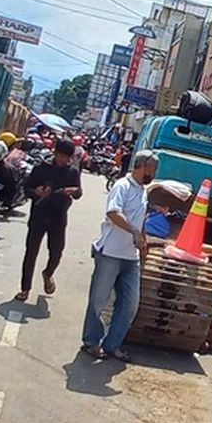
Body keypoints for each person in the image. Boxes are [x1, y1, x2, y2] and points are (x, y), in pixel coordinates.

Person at [81, 150, 159, 362]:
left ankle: (112, 345)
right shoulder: (122, 186)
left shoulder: (143, 190)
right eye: (152, 168)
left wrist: (142, 237)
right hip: (110, 253)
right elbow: (113, 213)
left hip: (130, 257)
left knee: (130, 304)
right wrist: (133, 231)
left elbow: (140, 218)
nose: (154, 173)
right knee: (99, 301)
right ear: (142, 166)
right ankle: (91, 342)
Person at [16, 138, 83, 302]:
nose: (66, 160)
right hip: (39, 215)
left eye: (69, 157)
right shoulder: (41, 168)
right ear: (56, 154)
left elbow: (79, 192)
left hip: (58, 217)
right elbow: (26, 188)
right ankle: (25, 289)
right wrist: (36, 192)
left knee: (56, 252)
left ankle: (48, 273)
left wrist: (74, 191)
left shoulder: (72, 171)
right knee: (31, 252)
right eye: (63, 156)